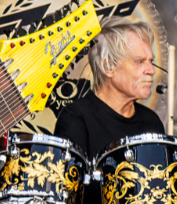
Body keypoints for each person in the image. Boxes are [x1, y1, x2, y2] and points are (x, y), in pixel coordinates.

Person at [53, 17, 165, 160]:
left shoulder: (151, 122)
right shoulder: (76, 119)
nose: (151, 70)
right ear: (108, 67)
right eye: (139, 61)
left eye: (151, 61)